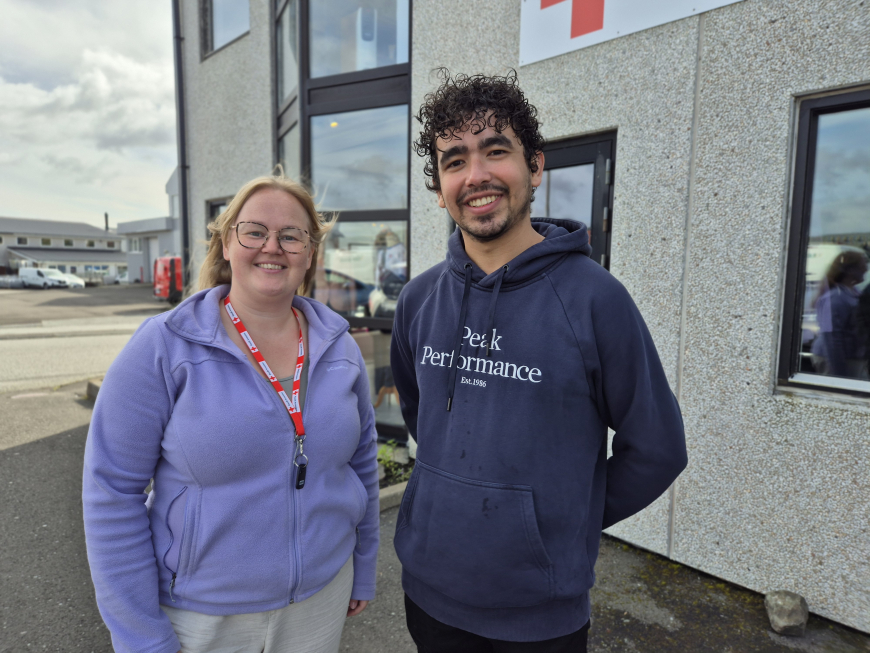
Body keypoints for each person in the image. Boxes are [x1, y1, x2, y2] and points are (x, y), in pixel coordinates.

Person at [390, 71, 688, 652]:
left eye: (495, 151)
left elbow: (658, 449)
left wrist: (560, 521)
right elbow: (421, 416)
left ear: (534, 167)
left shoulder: (596, 299)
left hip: (539, 617)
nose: (476, 175)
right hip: (427, 594)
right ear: (440, 188)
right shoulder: (419, 299)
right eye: (455, 161)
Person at [83, 174, 379, 653]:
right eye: (254, 231)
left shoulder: (339, 346)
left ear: (310, 253)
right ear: (226, 243)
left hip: (320, 601)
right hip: (202, 617)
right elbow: (111, 492)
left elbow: (361, 463)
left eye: (291, 235)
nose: (272, 246)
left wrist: (362, 567)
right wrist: (140, 636)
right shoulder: (163, 347)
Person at [811, 250, 868, 378]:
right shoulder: (834, 298)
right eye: (862, 266)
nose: (866, 270)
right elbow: (831, 339)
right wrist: (839, 376)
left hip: (853, 358)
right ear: (850, 270)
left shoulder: (854, 292)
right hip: (837, 360)